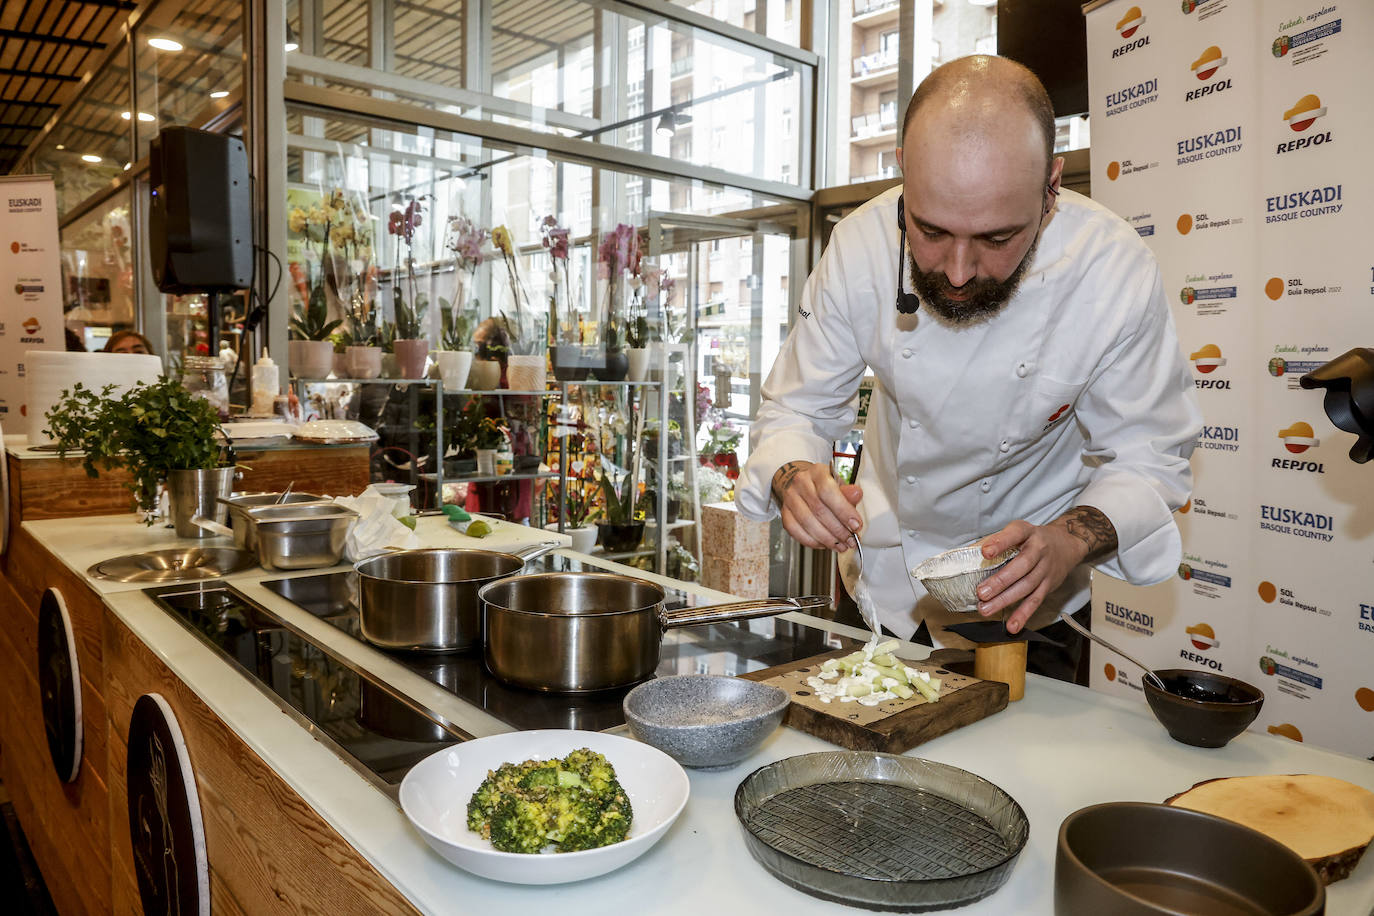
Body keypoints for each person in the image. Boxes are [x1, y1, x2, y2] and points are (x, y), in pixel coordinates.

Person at [736, 55, 1201, 680]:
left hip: (1030, 609)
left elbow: (1149, 459)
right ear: (902, 170)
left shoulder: (1112, 270)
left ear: (1051, 189)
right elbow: (796, 407)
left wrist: (1066, 542)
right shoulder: (859, 247)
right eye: (929, 230)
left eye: (996, 239)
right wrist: (794, 475)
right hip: (886, 583)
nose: (956, 272)